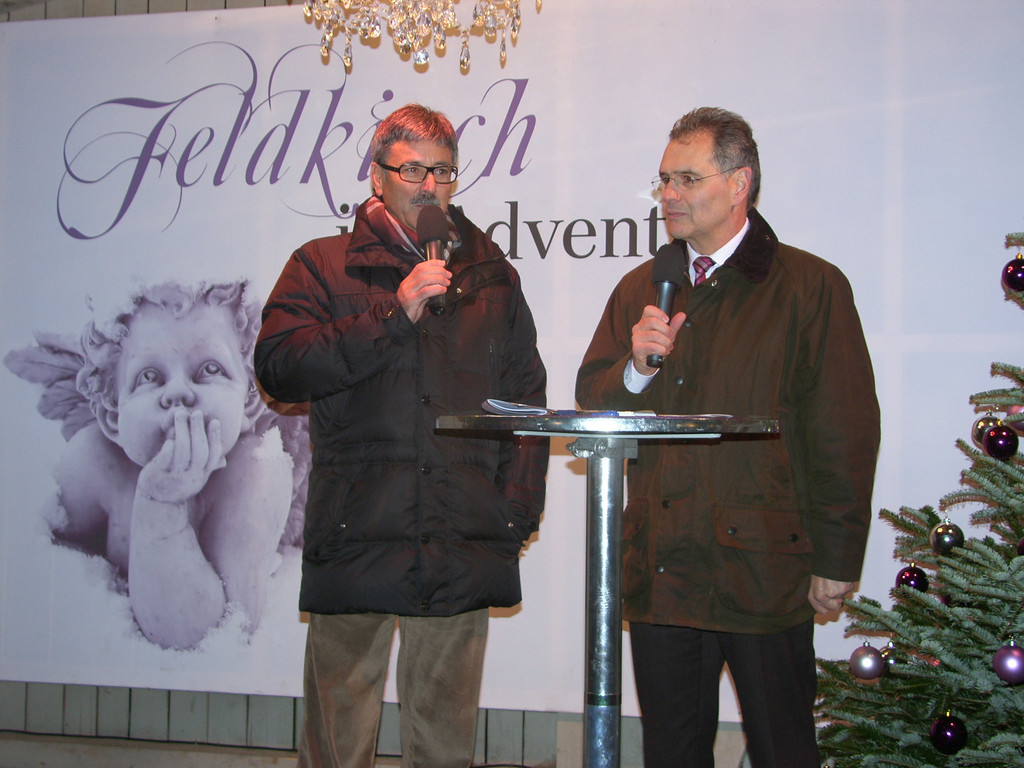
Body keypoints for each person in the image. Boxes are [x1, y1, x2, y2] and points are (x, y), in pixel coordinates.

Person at [575, 107, 880, 768]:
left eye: (687, 179)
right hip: (662, 569)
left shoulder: (809, 286)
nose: (669, 195)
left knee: (782, 749)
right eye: (663, 180)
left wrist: (836, 556)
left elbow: (843, 429)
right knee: (672, 753)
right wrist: (635, 369)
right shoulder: (642, 288)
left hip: (762, 569)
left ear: (740, 183)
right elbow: (592, 402)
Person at [254, 103, 549, 768]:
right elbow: (279, 369)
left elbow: (526, 400)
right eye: (412, 169)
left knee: (444, 740)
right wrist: (395, 312)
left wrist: (514, 512)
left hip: (461, 532)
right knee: (337, 740)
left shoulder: (492, 275)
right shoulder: (322, 265)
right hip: (358, 530)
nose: (429, 185)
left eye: (443, 170)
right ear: (377, 176)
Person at [4, 281, 296, 650]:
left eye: (209, 369)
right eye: (149, 377)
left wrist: (162, 506)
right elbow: (30, 560)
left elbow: (211, 639)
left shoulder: (256, 471)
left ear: (249, 400)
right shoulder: (96, 461)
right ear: (113, 415)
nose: (178, 392)